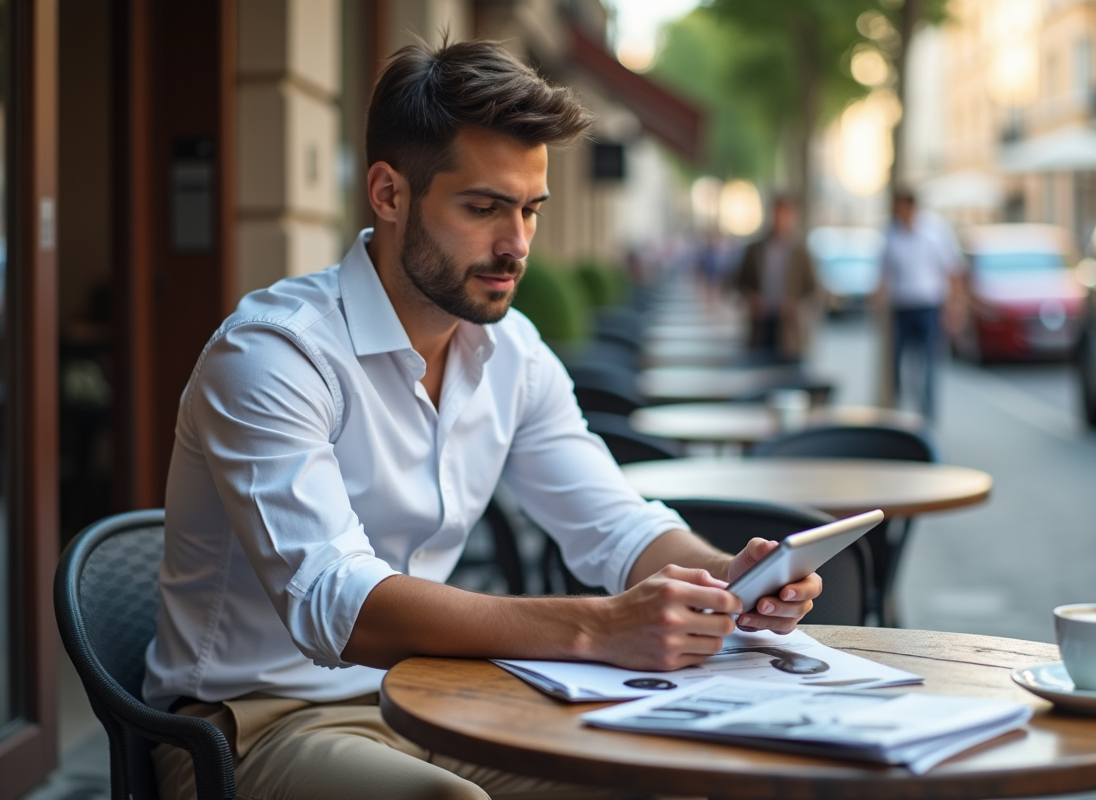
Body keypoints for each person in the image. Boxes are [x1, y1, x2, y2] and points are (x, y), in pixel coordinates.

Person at [145, 40, 822, 800]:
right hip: (248, 727)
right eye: (484, 208)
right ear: (389, 194)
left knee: (670, 772)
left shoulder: (512, 353)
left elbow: (614, 525)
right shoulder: (274, 355)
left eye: (530, 209)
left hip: (435, 699)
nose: (517, 245)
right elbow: (335, 602)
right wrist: (596, 627)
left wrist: (728, 578)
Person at [877, 189, 964, 420]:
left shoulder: (934, 231)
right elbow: (884, 273)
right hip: (901, 307)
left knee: (928, 364)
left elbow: (953, 270)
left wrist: (954, 308)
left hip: (928, 307)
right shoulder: (891, 234)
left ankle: (927, 416)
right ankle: (897, 412)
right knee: (898, 364)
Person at [733, 196, 822, 364]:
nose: (780, 219)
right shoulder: (755, 250)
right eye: (777, 214)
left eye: (785, 214)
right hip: (760, 328)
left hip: (789, 333)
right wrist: (750, 300)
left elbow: (815, 294)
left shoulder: (801, 253)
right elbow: (737, 284)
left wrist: (796, 307)